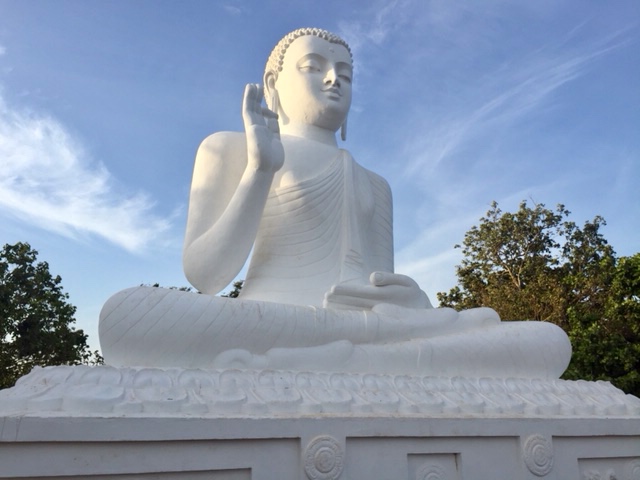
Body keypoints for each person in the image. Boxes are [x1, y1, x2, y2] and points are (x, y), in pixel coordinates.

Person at [99, 28, 571, 378]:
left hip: (372, 328)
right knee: (128, 314)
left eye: (345, 74)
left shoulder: (376, 184)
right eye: (314, 66)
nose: (333, 80)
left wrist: (412, 301)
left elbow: (382, 289)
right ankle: (369, 362)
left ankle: (341, 360)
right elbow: (206, 277)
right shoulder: (230, 149)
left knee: (548, 341)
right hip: (272, 323)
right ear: (272, 83)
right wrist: (260, 169)